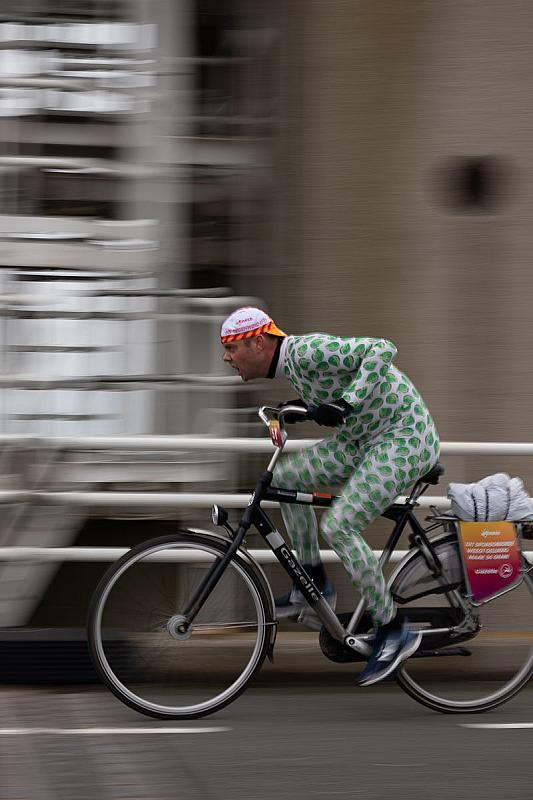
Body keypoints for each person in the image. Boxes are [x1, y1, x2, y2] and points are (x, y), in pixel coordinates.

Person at [221, 306, 440, 686]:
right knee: (286, 478)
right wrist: (303, 408)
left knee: (339, 525)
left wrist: (346, 403)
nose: (226, 357)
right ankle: (312, 583)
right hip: (362, 440)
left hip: (403, 438)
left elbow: (382, 348)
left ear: (258, 343)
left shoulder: (307, 351)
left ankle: (393, 629)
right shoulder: (293, 367)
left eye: (230, 347)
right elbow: (329, 390)